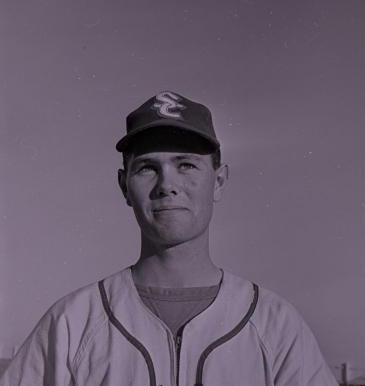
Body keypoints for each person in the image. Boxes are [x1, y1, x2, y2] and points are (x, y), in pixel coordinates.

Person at [0, 91, 338, 385]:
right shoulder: (72, 323)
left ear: (218, 181)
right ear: (124, 186)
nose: (167, 184)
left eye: (187, 165)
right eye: (147, 167)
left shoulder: (276, 325)